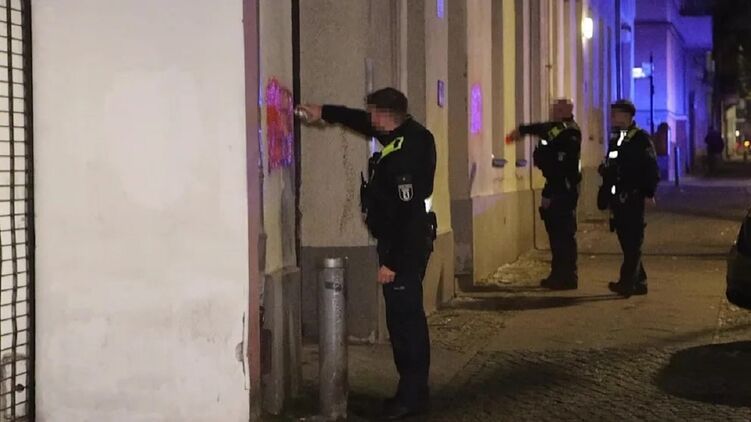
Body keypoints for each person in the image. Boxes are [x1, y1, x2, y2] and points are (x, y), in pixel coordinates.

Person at [297, 87, 437, 420]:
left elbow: (409, 215)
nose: (370, 118)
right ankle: (414, 392)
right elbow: (361, 121)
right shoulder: (408, 133)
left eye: (374, 112)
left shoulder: (405, 153)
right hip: (404, 245)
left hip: (403, 250)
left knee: (405, 325)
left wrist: (392, 263)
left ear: (386, 115)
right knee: (405, 321)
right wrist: (325, 112)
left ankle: (411, 398)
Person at [509, 99, 582, 290]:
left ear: (568, 110)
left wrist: (545, 156)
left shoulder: (570, 132)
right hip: (555, 186)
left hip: (563, 188)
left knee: (563, 235)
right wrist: (522, 131)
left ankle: (567, 276)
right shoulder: (557, 129)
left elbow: (562, 164)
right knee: (556, 234)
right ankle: (559, 274)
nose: (554, 111)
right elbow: (542, 129)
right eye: (553, 108)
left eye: (559, 109)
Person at [598, 99, 660, 298]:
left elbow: (651, 167)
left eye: (615, 114)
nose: (612, 117)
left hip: (633, 196)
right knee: (626, 242)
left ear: (626, 116)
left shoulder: (640, 139)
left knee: (633, 242)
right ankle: (639, 281)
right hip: (619, 197)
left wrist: (649, 192)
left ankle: (626, 283)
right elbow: (613, 165)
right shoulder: (617, 138)